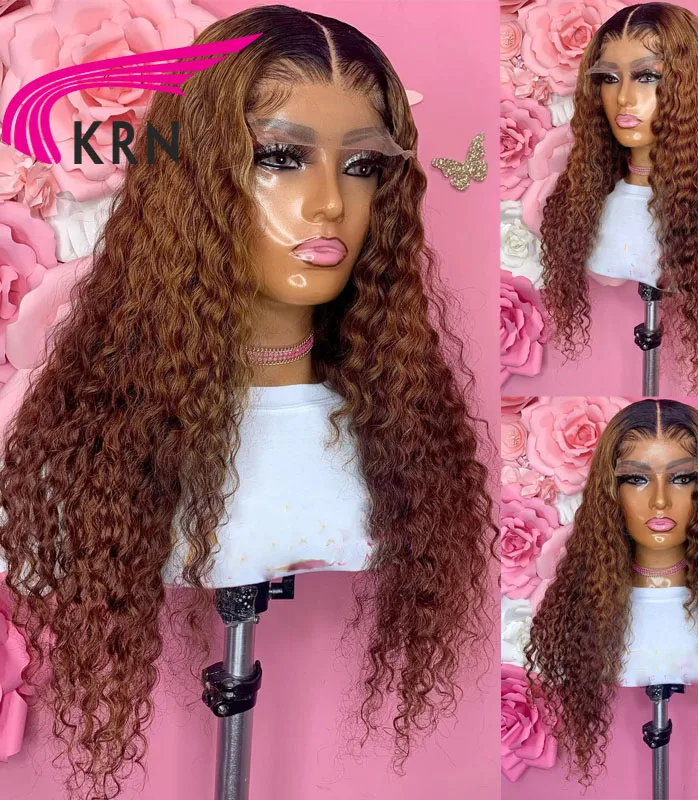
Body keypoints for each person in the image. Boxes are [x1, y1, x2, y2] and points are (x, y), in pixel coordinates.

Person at [0, 6, 497, 798]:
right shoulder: (104, 446)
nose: (329, 202)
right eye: (281, 156)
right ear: (197, 172)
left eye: (361, 164)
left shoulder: (396, 436)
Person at [526, 399, 698, 789]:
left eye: (682, 478)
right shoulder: (585, 615)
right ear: (610, 490)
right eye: (637, 479)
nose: (660, 501)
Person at [540, 3, 698, 396]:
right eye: (609, 78)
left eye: (647, 76)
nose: (624, 98)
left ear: (689, 86)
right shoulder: (583, 211)